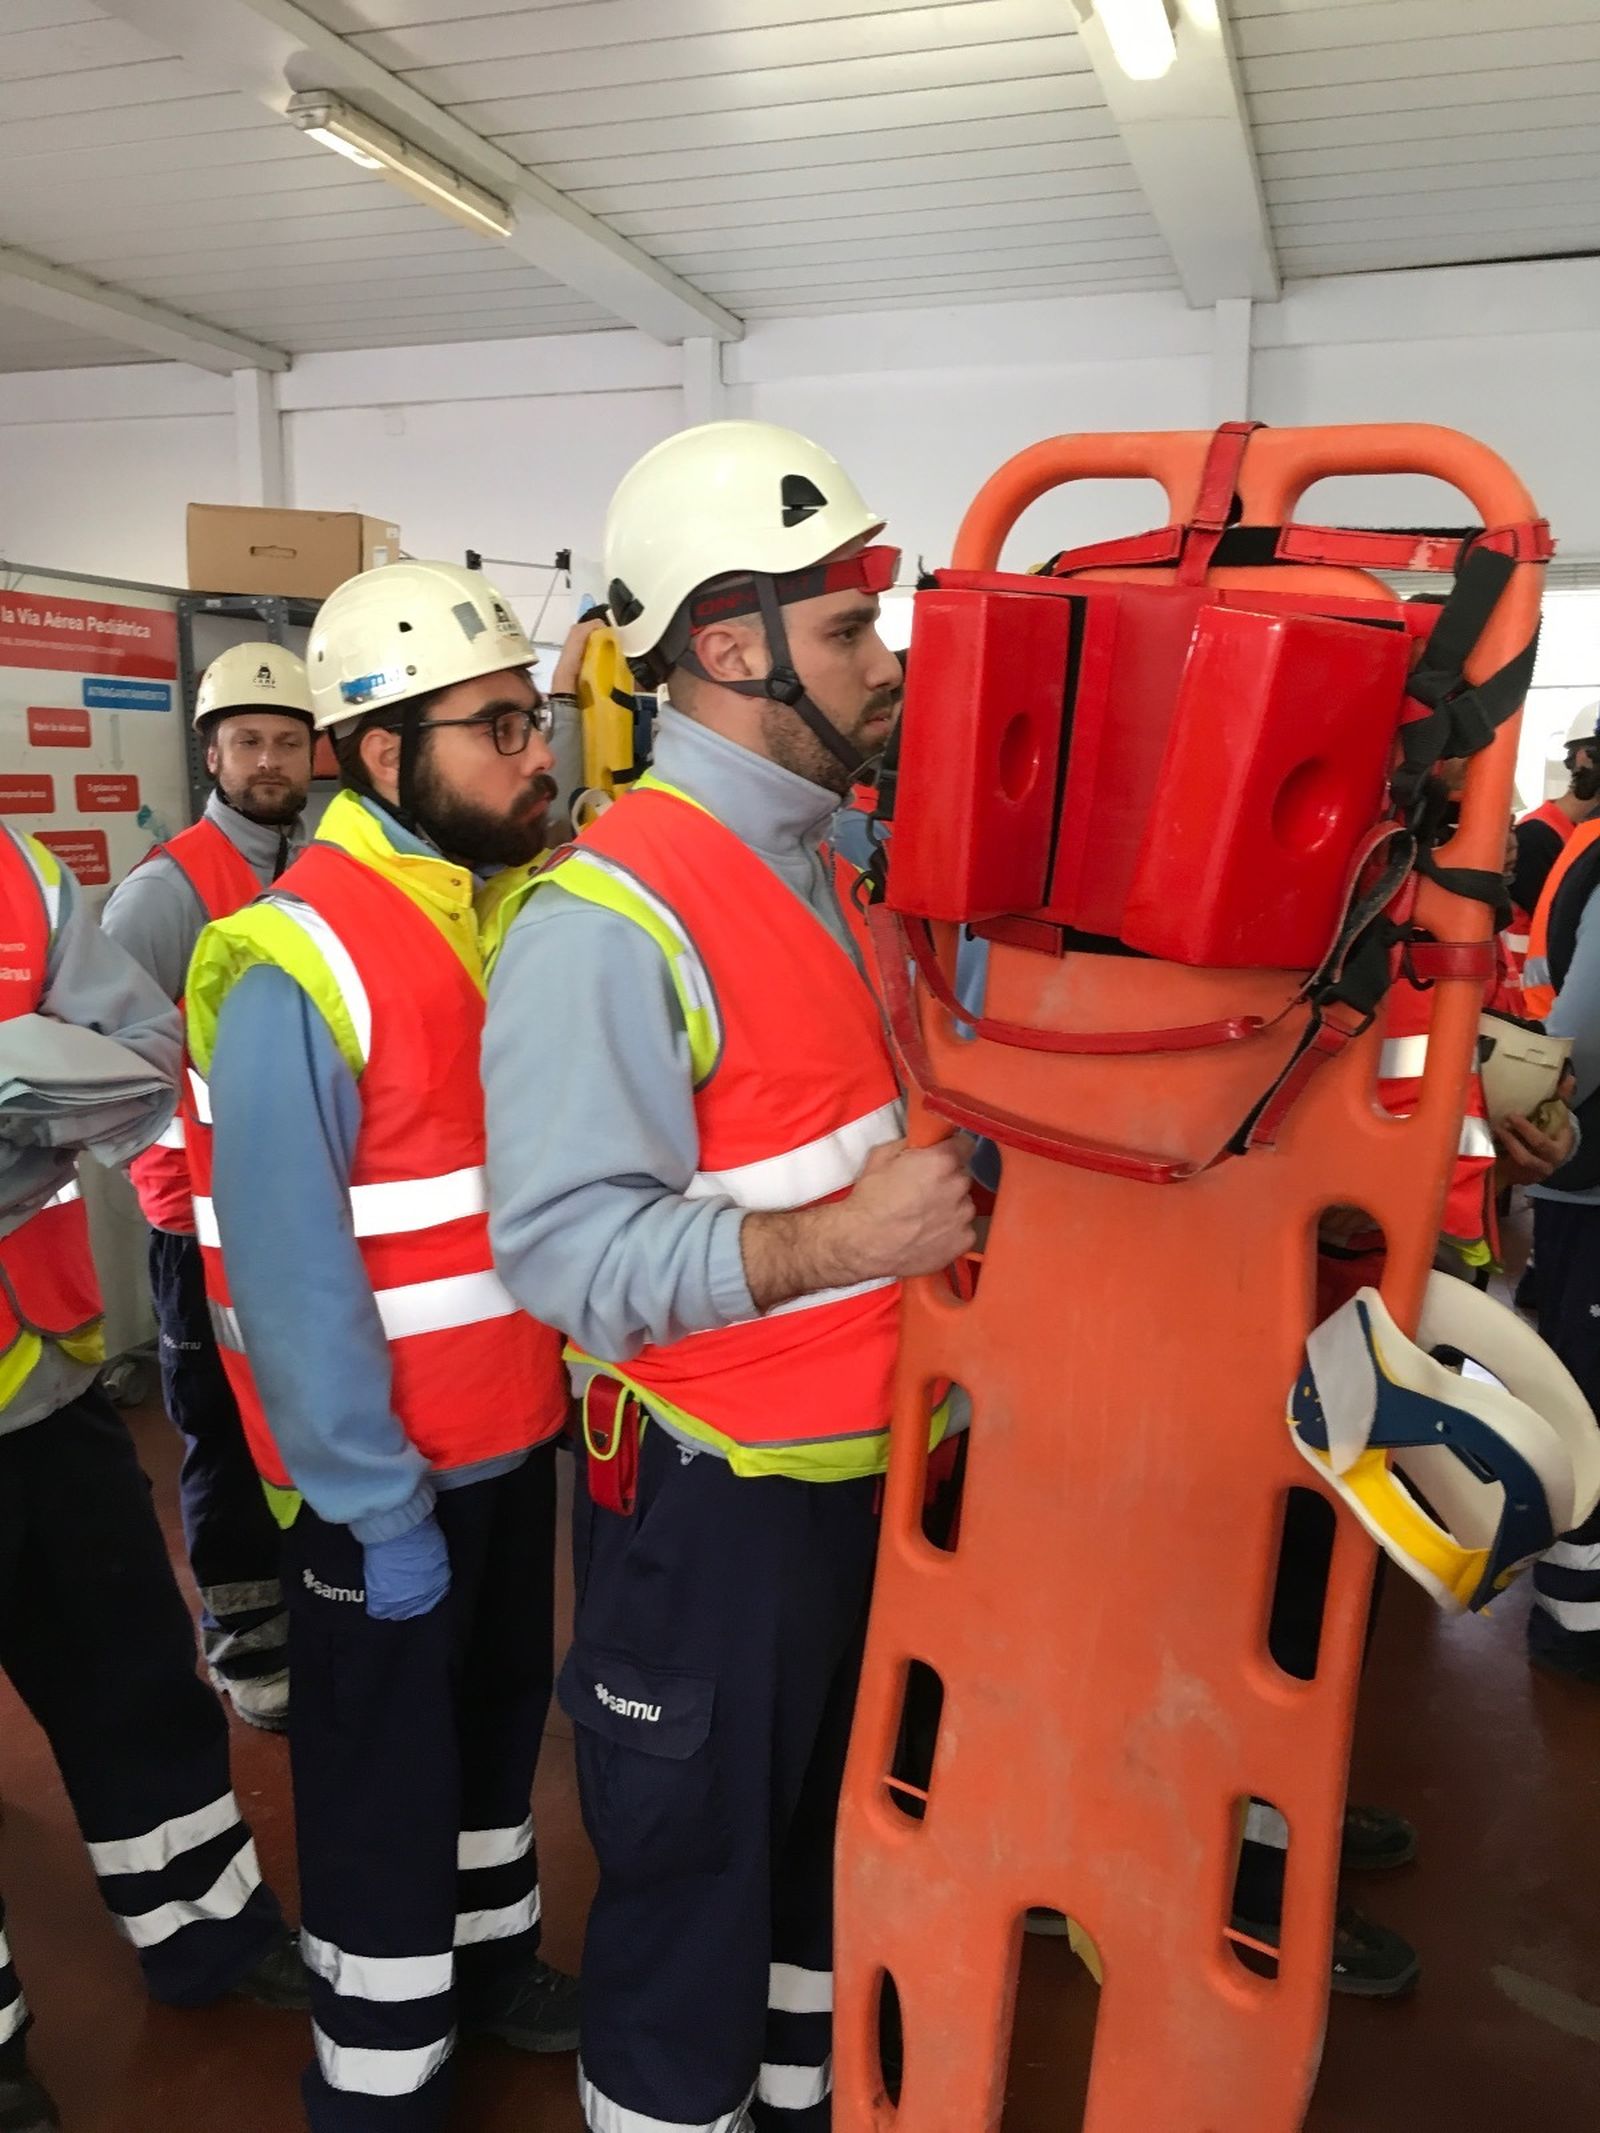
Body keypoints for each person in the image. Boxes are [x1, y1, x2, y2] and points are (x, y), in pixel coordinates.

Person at [483, 420, 976, 2133]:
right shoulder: (605, 921)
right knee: (692, 1915)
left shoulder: (838, 867)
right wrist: (851, 1239)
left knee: (821, 1884)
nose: (887, 660)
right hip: (713, 1523)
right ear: (726, 642)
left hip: (873, 1495)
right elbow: (559, 1252)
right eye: (849, 629)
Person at [180, 560, 579, 2132]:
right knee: (377, 1784)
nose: (534, 753)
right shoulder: (297, 957)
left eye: (532, 718)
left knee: (489, 1749)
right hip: (381, 1490)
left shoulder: (502, 917)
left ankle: (489, 1970)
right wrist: (368, 1494)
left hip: (500, 1445)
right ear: (379, 756)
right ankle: (379, 2067)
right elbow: (282, 1274)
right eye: (496, 726)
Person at [0, 824, 303, 2133]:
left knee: (131, 1670)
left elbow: (139, 1065)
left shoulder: (17, 878)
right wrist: (33, 1086)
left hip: (44, 1385)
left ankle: (207, 1927)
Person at [101, 642, 316, 1731]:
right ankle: (245, 1640)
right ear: (212, 753)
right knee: (224, 1434)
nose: (269, 760)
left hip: (307, 1221)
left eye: (286, 740)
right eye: (248, 742)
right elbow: (108, 1069)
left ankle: (306, 1609)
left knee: (297, 1416)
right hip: (202, 1226)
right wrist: (175, 1191)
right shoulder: (166, 892)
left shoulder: (320, 866)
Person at [1516, 823, 1600, 1682]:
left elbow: (1576, 1032)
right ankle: (1574, 1626)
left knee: (1587, 1403)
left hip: (1576, 1169)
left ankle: (1576, 1622)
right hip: (1581, 1170)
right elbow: (1583, 1031)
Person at [1509, 702, 1600, 953]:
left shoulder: (1584, 835)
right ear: (1584, 757)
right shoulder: (1536, 837)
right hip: (1538, 989)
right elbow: (1566, 926)